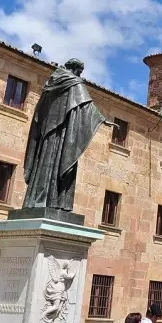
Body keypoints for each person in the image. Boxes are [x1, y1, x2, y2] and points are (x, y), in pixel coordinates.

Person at [23, 58, 110, 212]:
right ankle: (56, 202)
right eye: (80, 72)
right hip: (63, 137)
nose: (80, 75)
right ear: (77, 70)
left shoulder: (50, 83)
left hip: (46, 136)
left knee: (43, 163)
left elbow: (39, 112)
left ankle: (35, 199)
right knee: (61, 164)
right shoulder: (75, 82)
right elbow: (86, 105)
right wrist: (102, 119)